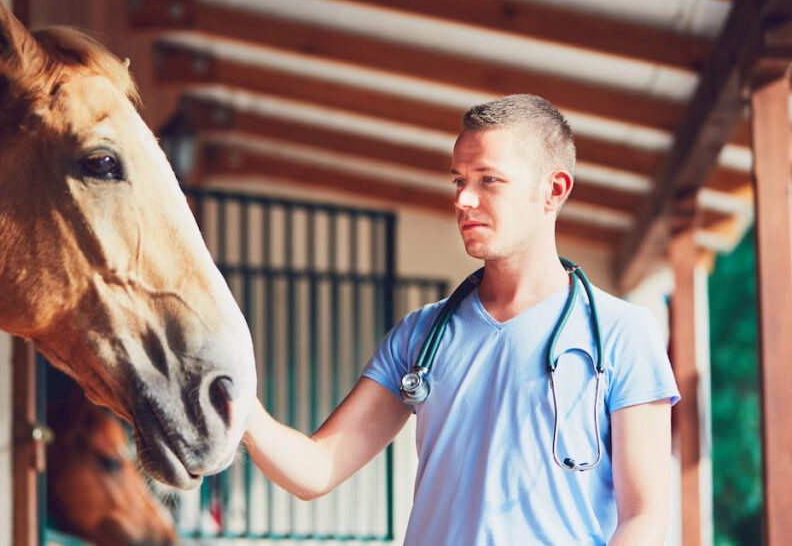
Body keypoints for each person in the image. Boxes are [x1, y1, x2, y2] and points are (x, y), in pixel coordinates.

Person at [242, 94, 680, 545]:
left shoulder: (622, 333)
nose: (464, 200)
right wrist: (242, 408)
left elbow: (643, 517)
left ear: (554, 190)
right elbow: (316, 470)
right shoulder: (420, 336)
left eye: (489, 180)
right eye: (459, 180)